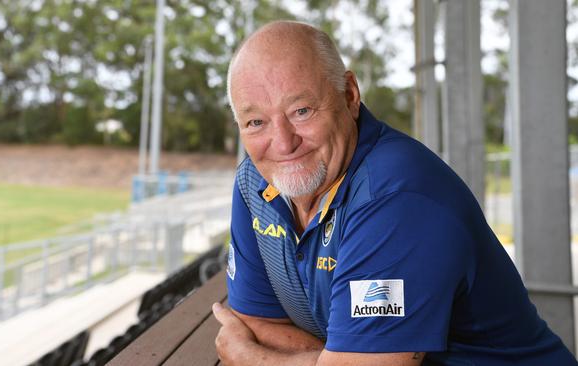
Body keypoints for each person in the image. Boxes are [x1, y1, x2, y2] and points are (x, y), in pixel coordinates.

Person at [212, 20, 577, 366]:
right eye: (256, 122)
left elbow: (249, 343)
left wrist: (249, 358)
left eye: (301, 110)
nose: (283, 143)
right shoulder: (257, 183)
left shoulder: (396, 195)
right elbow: (253, 321)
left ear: (350, 95)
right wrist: (342, 357)